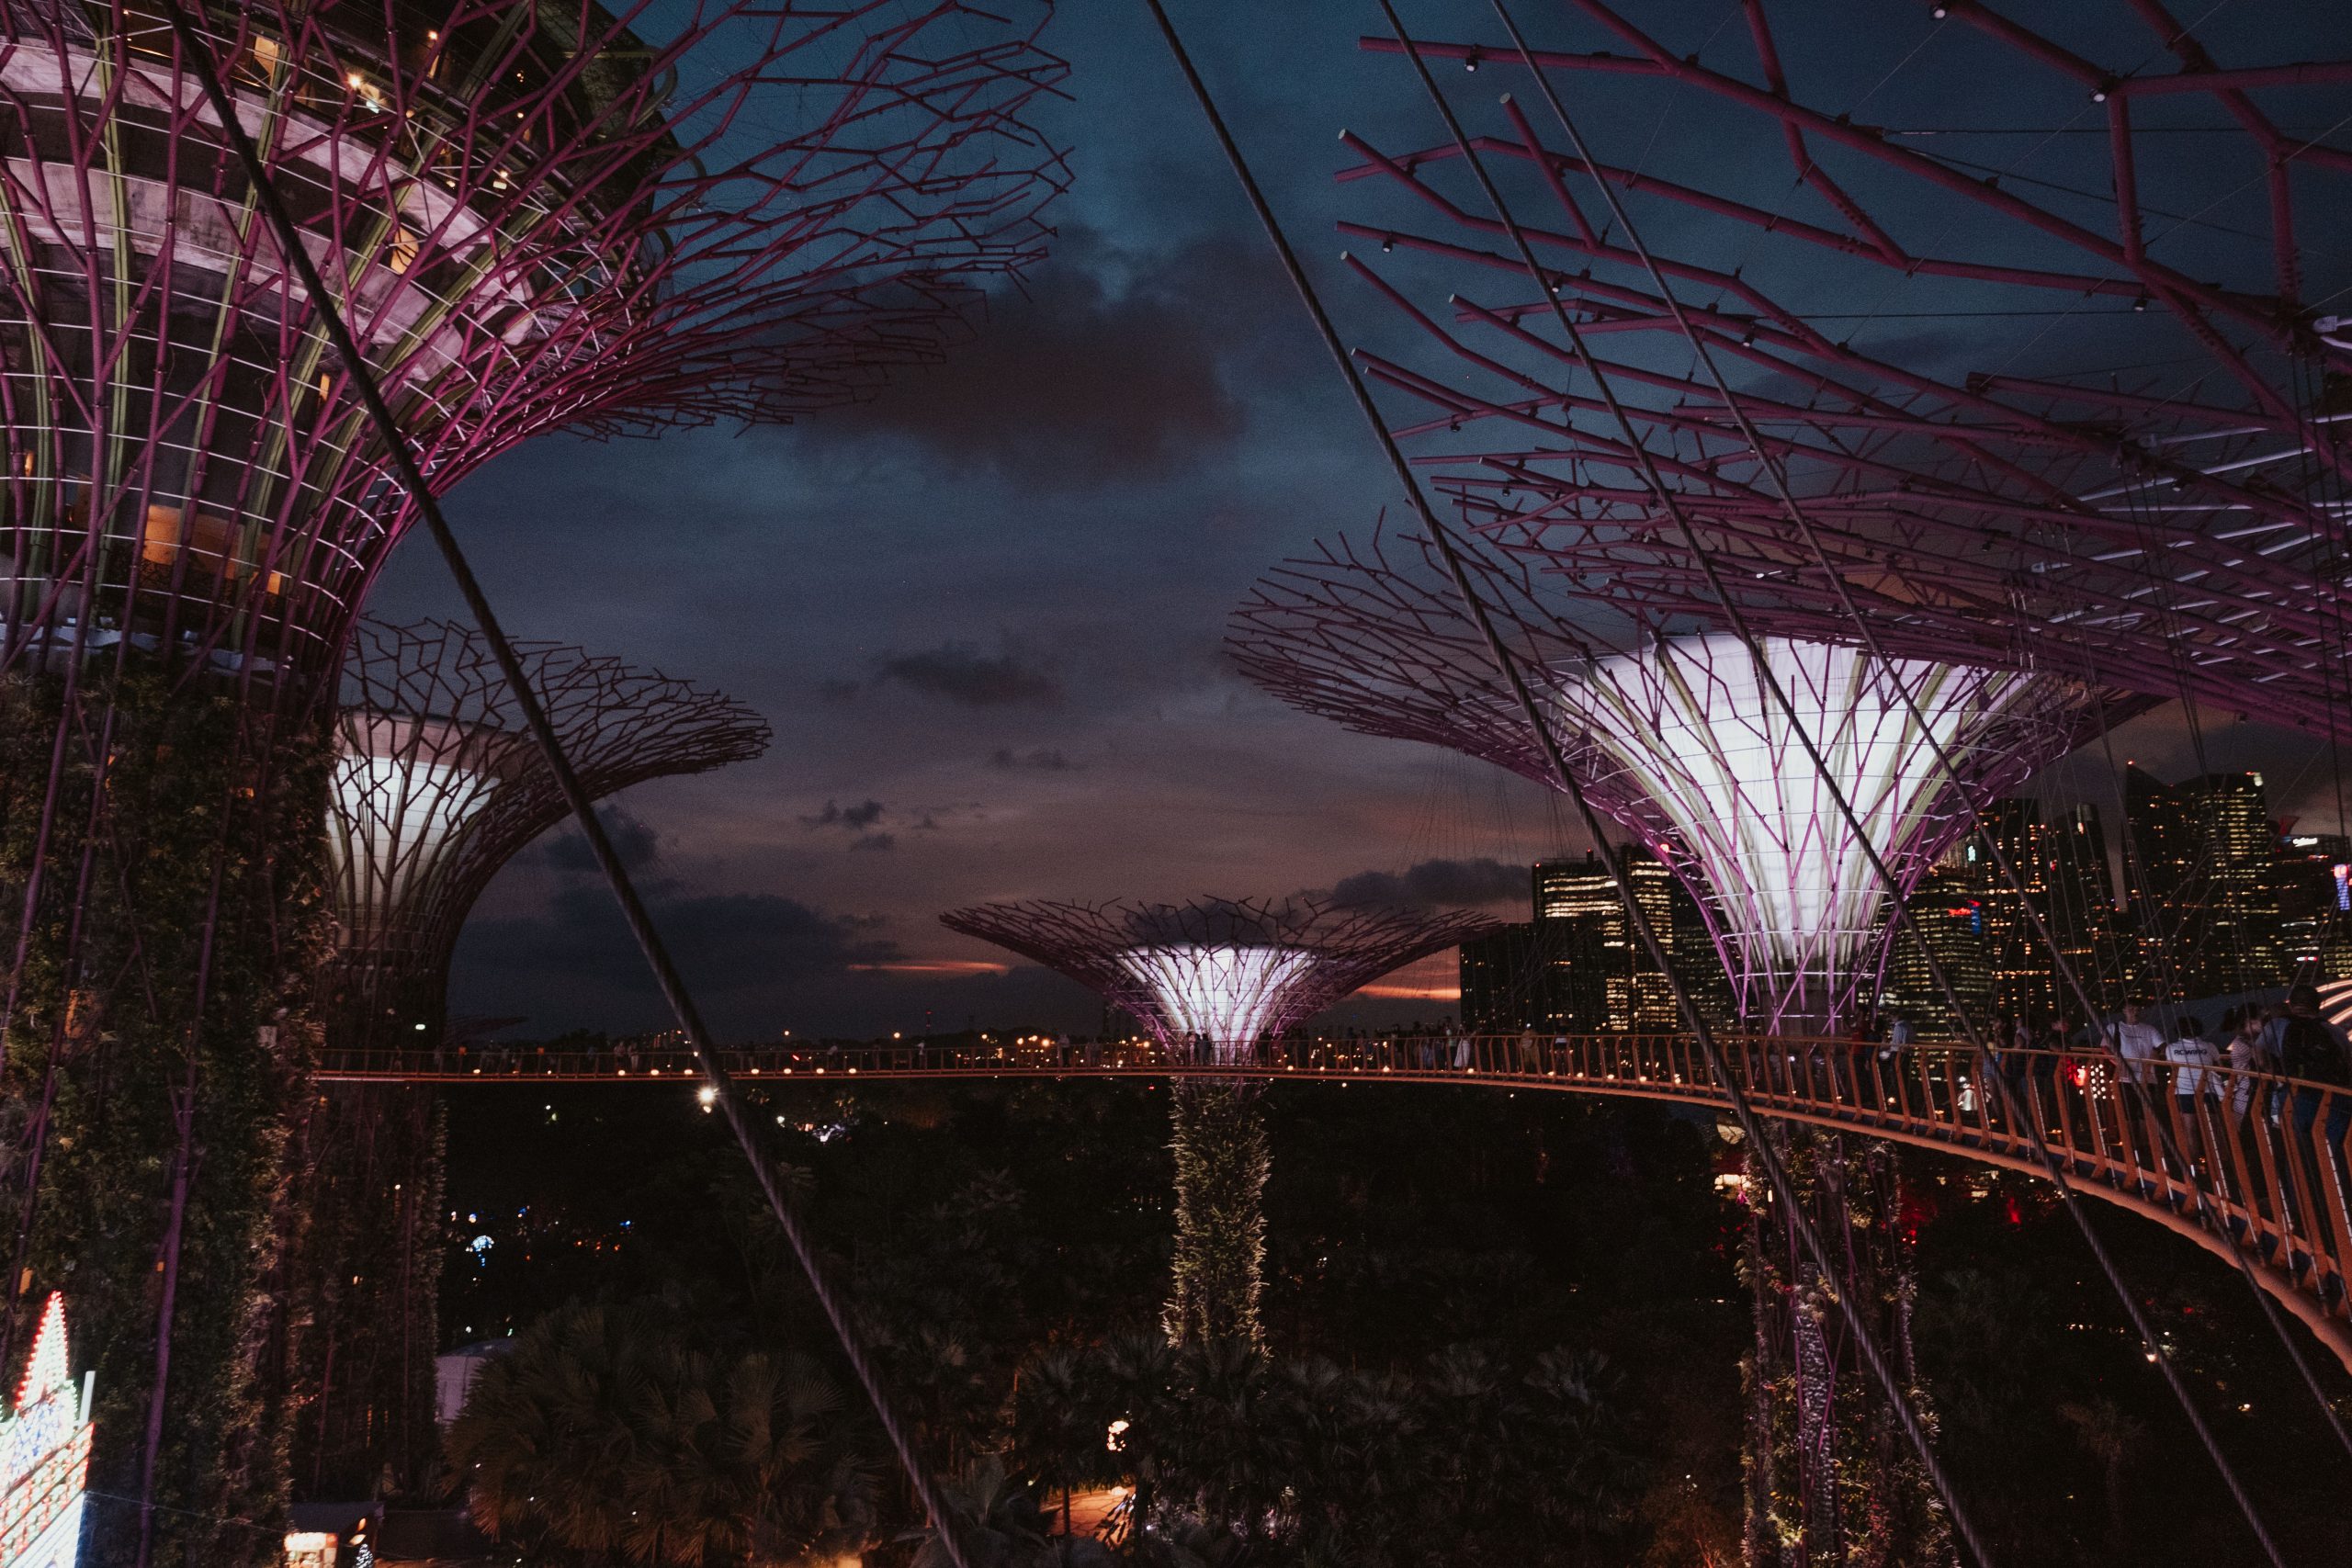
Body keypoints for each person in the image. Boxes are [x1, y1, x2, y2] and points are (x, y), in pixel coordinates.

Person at [2162, 1015, 2220, 1174]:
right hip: (2208, 1091)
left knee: (2190, 1129)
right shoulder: (2209, 1046)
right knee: (2212, 1129)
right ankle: (2218, 1165)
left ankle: (2194, 1165)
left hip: (2185, 1092)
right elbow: (2217, 1063)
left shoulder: (2171, 1048)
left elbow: (2171, 1066)